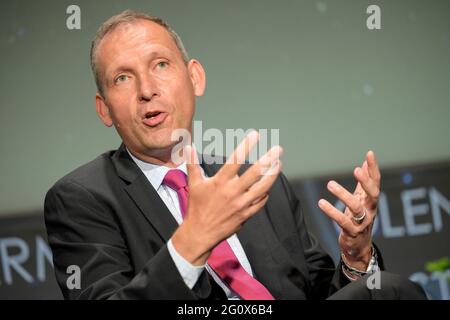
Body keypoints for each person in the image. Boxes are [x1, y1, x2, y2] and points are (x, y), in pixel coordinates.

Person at [44, 10, 426, 300]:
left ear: (195, 78)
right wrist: (192, 240)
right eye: (122, 78)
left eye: (160, 65)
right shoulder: (82, 198)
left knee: (385, 290)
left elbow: (321, 292)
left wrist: (356, 259)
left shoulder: (257, 182)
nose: (146, 89)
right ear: (104, 109)